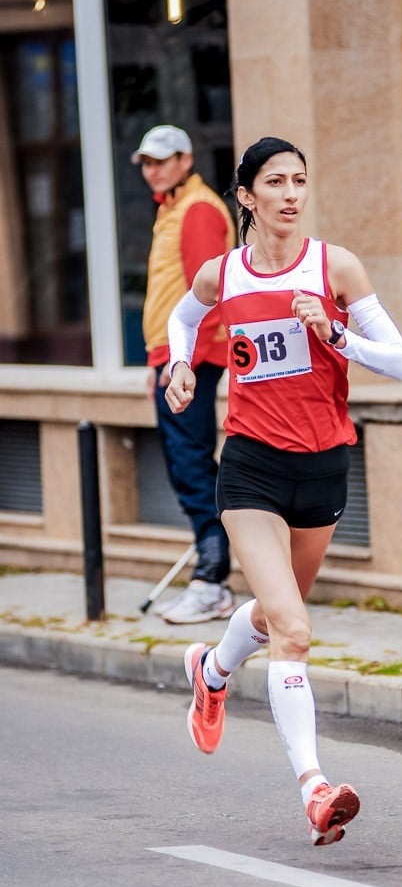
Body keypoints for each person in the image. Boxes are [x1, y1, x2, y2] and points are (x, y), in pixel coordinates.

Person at [165, 136, 402, 845]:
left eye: (300, 180)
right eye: (275, 182)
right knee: (296, 631)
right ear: (246, 196)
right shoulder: (225, 275)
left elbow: (398, 361)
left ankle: (210, 672)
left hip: (323, 466)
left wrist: (335, 332)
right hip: (249, 467)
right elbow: (184, 318)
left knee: (276, 619)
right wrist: (182, 366)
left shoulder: (335, 266)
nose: (292, 194)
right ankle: (314, 789)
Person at [132, 124, 236, 624]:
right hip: (171, 359)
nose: (153, 169)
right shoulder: (173, 208)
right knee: (184, 462)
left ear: (185, 158)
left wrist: (182, 367)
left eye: (161, 160)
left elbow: (207, 293)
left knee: (191, 464)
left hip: (189, 362)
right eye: (147, 162)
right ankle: (211, 571)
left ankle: (212, 579)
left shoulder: (196, 210)